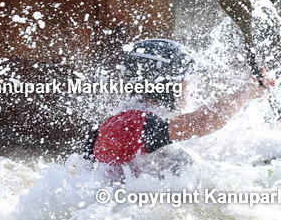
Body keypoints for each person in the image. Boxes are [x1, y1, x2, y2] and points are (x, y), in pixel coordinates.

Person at [84, 38, 271, 168]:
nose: (192, 90)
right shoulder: (128, 124)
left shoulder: (138, 120)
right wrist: (246, 92)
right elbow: (203, 122)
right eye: (187, 82)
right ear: (166, 84)